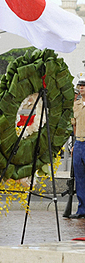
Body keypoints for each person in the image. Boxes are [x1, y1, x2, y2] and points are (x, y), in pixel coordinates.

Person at [70, 73, 85, 219]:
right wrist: (74, 143)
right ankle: (82, 209)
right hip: (79, 142)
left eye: (84, 86)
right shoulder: (76, 105)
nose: (81, 89)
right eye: (80, 86)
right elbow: (74, 124)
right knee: (79, 178)